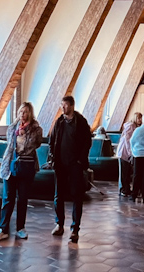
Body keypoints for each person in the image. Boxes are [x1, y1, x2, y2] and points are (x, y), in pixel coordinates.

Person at [0, 101, 43, 241]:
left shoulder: (36, 129)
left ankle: (20, 228)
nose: (22, 114)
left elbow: (35, 143)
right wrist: (17, 133)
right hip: (11, 165)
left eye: (25, 112)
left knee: (22, 198)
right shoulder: (12, 127)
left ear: (30, 113)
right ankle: (3, 228)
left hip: (26, 166)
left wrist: (25, 133)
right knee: (8, 197)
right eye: (20, 111)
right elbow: (10, 141)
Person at [48, 95, 92, 243]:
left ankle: (75, 229)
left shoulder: (81, 122)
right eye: (62, 105)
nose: (63, 108)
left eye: (65, 105)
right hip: (60, 164)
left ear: (72, 106)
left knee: (76, 196)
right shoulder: (59, 122)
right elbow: (52, 140)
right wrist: (53, 157)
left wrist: (80, 160)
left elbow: (87, 142)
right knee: (58, 195)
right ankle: (59, 224)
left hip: (75, 165)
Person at [116, 111, 140, 198]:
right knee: (123, 172)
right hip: (124, 152)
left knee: (126, 172)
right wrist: (130, 152)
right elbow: (127, 139)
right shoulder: (131, 126)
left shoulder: (134, 127)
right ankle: (123, 189)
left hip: (125, 153)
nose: (140, 120)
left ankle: (126, 189)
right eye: (138, 118)